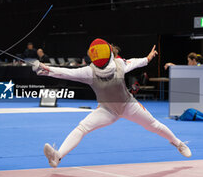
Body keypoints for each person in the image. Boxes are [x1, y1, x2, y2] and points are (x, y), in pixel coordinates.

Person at [32, 38, 192, 168]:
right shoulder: (111, 66)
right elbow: (66, 72)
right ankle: (57, 156)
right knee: (82, 127)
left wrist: (45, 69)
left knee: (154, 125)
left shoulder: (97, 69)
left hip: (128, 106)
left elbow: (65, 73)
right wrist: (46, 69)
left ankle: (178, 144)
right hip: (108, 110)